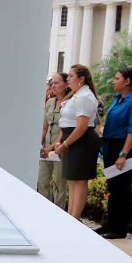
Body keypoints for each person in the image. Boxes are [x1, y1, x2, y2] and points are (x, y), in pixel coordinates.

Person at [97, 68, 132, 239]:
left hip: (123, 146)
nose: (113, 81)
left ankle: (119, 228)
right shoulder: (119, 98)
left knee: (122, 188)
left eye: (117, 78)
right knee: (113, 187)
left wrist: (123, 154)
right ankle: (110, 224)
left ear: (127, 82)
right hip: (112, 145)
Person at [50, 64, 101, 221]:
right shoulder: (77, 95)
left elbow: (81, 127)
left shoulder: (85, 96)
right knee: (72, 179)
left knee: (79, 180)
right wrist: (61, 141)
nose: (68, 79)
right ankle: (71, 216)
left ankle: (75, 217)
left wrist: (65, 144)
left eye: (71, 76)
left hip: (81, 141)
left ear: (81, 79)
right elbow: (66, 121)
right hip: (72, 139)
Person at [38, 73, 69, 210]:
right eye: (52, 83)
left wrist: (51, 147)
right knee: (42, 181)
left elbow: (66, 129)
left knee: (59, 184)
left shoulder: (70, 103)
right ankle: (44, 210)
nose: (53, 85)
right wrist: (40, 144)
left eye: (57, 83)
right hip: (45, 149)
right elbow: (45, 126)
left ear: (66, 85)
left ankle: (59, 212)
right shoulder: (50, 102)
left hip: (60, 148)